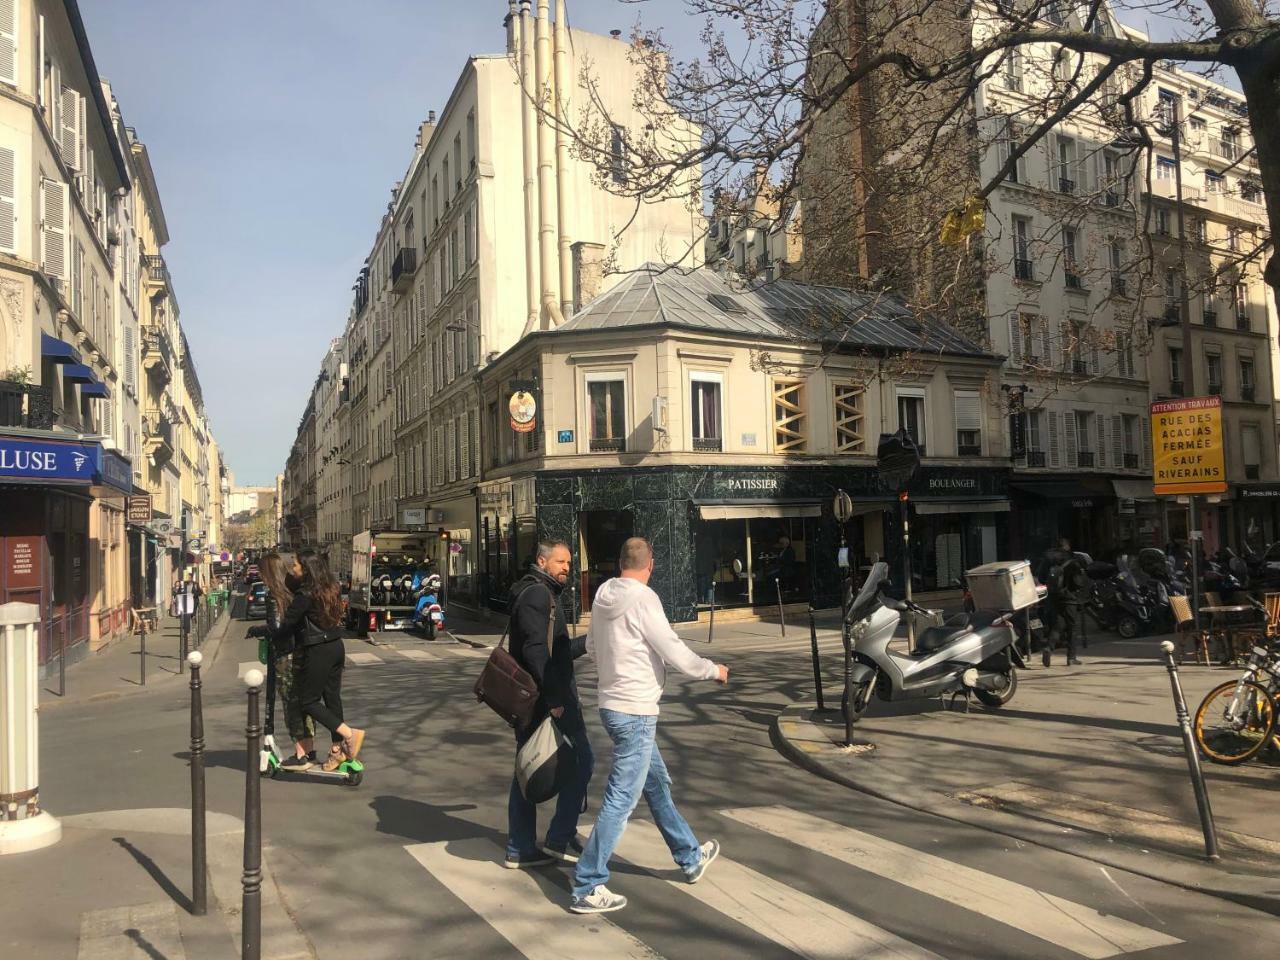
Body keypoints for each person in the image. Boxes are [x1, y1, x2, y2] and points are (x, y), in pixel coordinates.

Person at [571, 537, 729, 915]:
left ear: (619, 562)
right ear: (650, 565)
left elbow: (592, 647)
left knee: (657, 786)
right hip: (637, 711)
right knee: (621, 800)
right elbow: (671, 648)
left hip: (611, 706)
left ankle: (689, 856)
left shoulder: (604, 593)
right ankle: (587, 883)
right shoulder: (645, 599)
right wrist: (713, 671)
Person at [505, 541, 593, 869]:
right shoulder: (537, 595)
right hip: (545, 699)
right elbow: (536, 652)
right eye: (560, 561)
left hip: (543, 697)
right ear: (542, 560)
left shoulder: (543, 592)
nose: (566, 567)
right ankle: (557, 835)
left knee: (527, 769)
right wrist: (556, 698)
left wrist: (586, 644)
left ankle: (524, 844)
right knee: (582, 761)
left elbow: (554, 649)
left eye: (569, 562)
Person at [268, 549, 366, 771]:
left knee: (308, 701)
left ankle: (350, 734)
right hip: (336, 646)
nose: (292, 569)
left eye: (296, 566)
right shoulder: (331, 588)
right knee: (332, 699)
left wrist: (268, 633)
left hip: (318, 649)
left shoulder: (305, 595)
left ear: (307, 570)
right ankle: (337, 750)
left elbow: (287, 625)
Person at [260, 552, 316, 770]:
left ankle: (300, 754)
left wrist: (259, 630)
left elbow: (276, 629)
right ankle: (309, 750)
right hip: (302, 652)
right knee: (303, 704)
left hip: (285, 656)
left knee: (290, 704)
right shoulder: (293, 592)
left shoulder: (273, 596)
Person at [1038, 538, 1083, 667]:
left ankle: (1049, 647)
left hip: (1053, 596)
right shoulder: (1071, 558)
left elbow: (1041, 577)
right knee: (1072, 626)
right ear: (1067, 546)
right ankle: (1071, 657)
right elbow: (1078, 581)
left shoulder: (1047, 558)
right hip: (1069, 597)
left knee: (1058, 624)